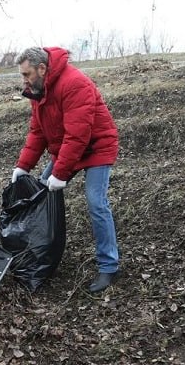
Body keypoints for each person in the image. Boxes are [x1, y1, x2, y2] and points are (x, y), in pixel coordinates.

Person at [11, 46, 120, 293]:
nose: (24, 80)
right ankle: (43, 255)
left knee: (96, 202)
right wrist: (23, 166)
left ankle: (109, 266)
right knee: (42, 193)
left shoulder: (74, 84)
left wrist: (60, 174)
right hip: (67, 149)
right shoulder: (39, 90)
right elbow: (37, 132)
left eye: (27, 74)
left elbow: (78, 135)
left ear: (42, 68)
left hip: (96, 147)